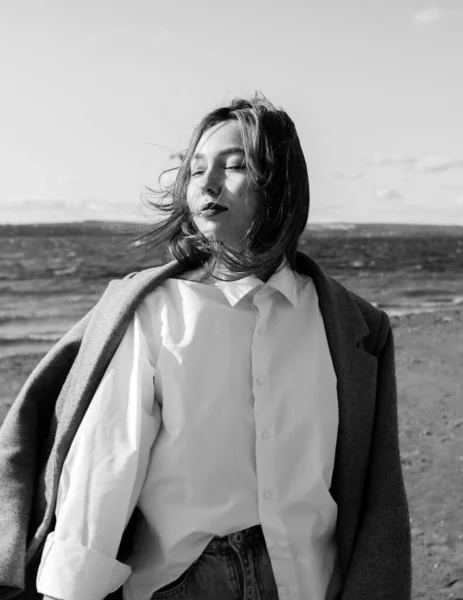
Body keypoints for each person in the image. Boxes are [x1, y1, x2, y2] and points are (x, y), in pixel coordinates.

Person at [0, 94, 411, 600]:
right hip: (184, 582)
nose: (208, 184)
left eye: (234, 166)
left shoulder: (353, 328)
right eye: (195, 171)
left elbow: (377, 490)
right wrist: (70, 590)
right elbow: (108, 462)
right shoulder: (156, 312)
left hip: (311, 580)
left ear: (281, 183)